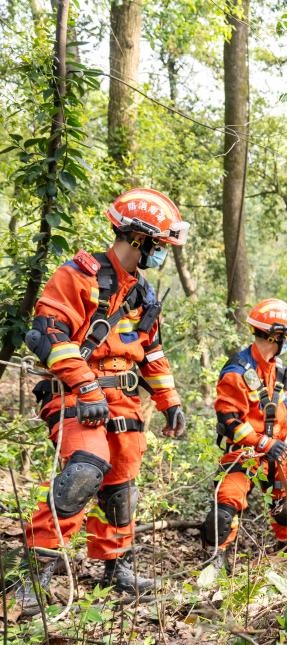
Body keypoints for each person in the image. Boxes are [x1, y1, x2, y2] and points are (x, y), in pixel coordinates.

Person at [14, 188, 190, 616]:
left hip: (124, 400)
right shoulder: (79, 274)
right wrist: (85, 386)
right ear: (137, 238)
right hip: (76, 394)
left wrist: (170, 402)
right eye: (159, 245)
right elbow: (47, 334)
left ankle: (117, 565)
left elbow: (152, 352)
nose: (161, 254)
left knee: (121, 485)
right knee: (84, 473)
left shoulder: (143, 295)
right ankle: (33, 572)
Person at [201, 298, 287, 566]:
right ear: (274, 335)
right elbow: (230, 421)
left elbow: (277, 400)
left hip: (274, 453)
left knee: (283, 507)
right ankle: (216, 559)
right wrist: (263, 443)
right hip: (245, 452)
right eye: (286, 336)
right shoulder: (236, 372)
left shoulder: (277, 368)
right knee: (225, 507)